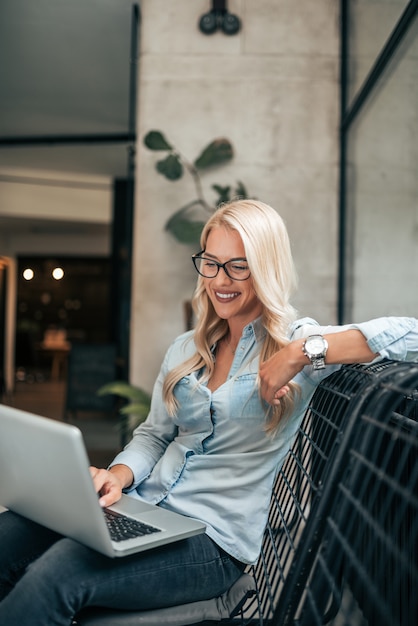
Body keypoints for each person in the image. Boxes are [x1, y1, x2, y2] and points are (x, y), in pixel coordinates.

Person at [1, 199, 417, 625]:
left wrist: (302, 352)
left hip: (212, 542)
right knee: (10, 533)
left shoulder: (296, 342)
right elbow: (154, 435)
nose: (221, 281)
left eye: (239, 266)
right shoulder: (186, 348)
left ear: (266, 266)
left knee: (59, 575)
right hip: (145, 509)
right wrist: (118, 475)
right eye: (211, 263)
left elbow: (413, 336)